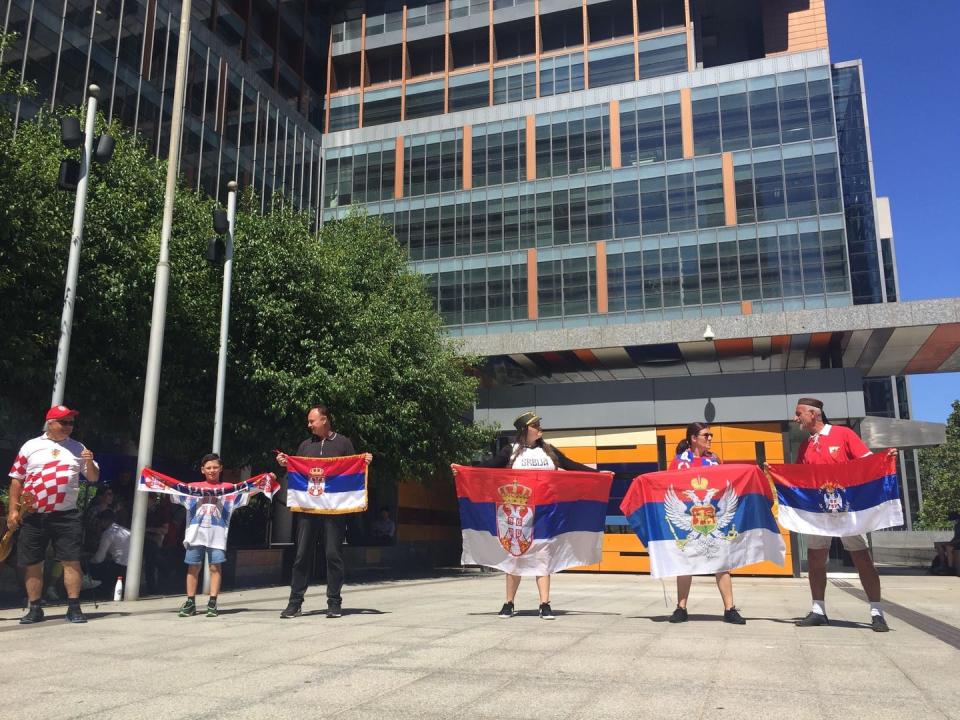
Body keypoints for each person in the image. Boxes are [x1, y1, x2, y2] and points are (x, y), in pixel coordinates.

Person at [475, 411, 600, 620]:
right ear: (525, 430)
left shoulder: (549, 451)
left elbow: (571, 465)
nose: (540, 427)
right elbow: (489, 466)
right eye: (536, 425)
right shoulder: (511, 451)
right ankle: (509, 603)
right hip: (518, 515)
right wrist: (465, 469)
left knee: (543, 557)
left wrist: (598, 474)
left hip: (545, 513)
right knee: (514, 556)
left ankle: (545, 604)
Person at [792, 397, 896, 632]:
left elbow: (868, 462)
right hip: (819, 512)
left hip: (849, 510)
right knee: (816, 559)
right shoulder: (805, 446)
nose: (795, 418)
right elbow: (799, 478)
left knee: (862, 558)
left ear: (814, 414)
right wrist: (776, 473)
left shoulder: (843, 434)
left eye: (799, 414)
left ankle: (877, 612)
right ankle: (818, 610)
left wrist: (886, 458)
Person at [276, 405, 372, 619]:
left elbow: (352, 471)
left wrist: (364, 462)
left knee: (333, 555)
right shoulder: (304, 446)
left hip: (334, 512)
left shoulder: (343, 443)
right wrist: (287, 463)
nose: (309, 425)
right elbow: (298, 473)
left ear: (325, 420)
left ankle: (334, 602)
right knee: (301, 556)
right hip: (308, 510)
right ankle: (294, 602)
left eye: (312, 421)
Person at [6, 405, 100, 624]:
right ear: (50, 423)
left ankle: (74, 607)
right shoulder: (30, 446)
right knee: (32, 562)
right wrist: (12, 510)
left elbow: (94, 478)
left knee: (71, 560)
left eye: (71, 423)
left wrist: (88, 461)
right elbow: (16, 479)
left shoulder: (79, 448)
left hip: (66, 515)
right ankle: (35, 607)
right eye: (63, 422)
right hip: (33, 513)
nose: (69, 427)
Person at [666, 422, 746, 625]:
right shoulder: (679, 462)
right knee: (684, 564)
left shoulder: (715, 460)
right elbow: (669, 487)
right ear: (694, 438)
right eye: (706, 435)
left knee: (722, 564)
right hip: (689, 518)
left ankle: (730, 609)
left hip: (714, 518)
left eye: (710, 435)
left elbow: (727, 484)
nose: (710, 438)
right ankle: (681, 608)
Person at [173, 453, 254, 618]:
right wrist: (158, 481)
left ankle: (212, 601)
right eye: (208, 468)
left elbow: (245, 495)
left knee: (215, 567)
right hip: (196, 533)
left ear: (221, 469)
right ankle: (190, 602)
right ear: (203, 470)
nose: (212, 470)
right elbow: (172, 491)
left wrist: (262, 483)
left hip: (217, 534)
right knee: (192, 567)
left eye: (215, 467)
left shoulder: (228, 488)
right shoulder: (193, 487)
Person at [88, 509, 130, 591]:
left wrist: (89, 560)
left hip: (120, 568)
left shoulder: (108, 533)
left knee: (91, 566)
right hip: (131, 566)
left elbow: (99, 558)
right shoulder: (125, 531)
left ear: (104, 521)